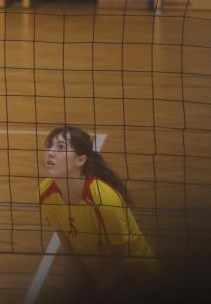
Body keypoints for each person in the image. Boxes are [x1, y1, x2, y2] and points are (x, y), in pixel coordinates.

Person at [38, 125, 159, 300]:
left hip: (136, 279)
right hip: (99, 276)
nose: (50, 152)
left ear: (80, 160)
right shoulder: (46, 193)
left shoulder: (103, 200)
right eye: (49, 146)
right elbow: (72, 254)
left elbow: (116, 268)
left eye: (61, 147)